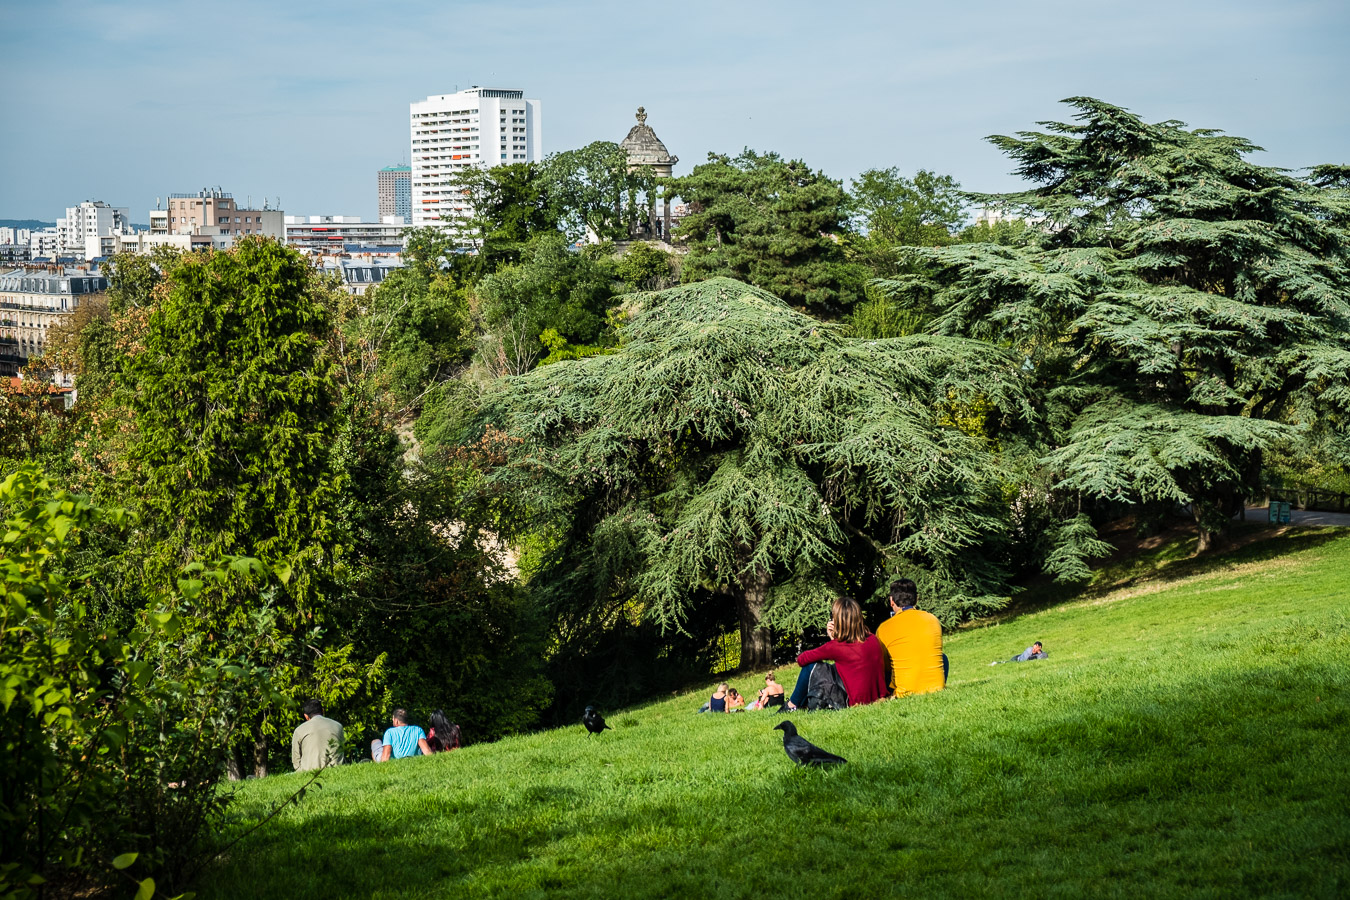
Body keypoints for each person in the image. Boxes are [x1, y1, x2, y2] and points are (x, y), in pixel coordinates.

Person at [788, 597, 888, 709]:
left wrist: (833, 640)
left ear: (838, 621)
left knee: (810, 666)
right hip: (877, 697)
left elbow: (802, 659)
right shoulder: (873, 639)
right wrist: (834, 639)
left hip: (854, 701)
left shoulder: (837, 647)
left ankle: (791, 705)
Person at [875, 579, 946, 697]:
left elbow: (885, 665)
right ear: (916, 598)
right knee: (943, 658)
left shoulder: (884, 628)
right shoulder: (932, 619)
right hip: (936, 688)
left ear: (891, 601)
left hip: (904, 692)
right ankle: (936, 685)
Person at [291, 699, 344, 772]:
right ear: (323, 710)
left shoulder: (299, 730)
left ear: (306, 716)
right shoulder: (338, 726)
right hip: (335, 770)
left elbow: (296, 762)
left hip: (309, 773)